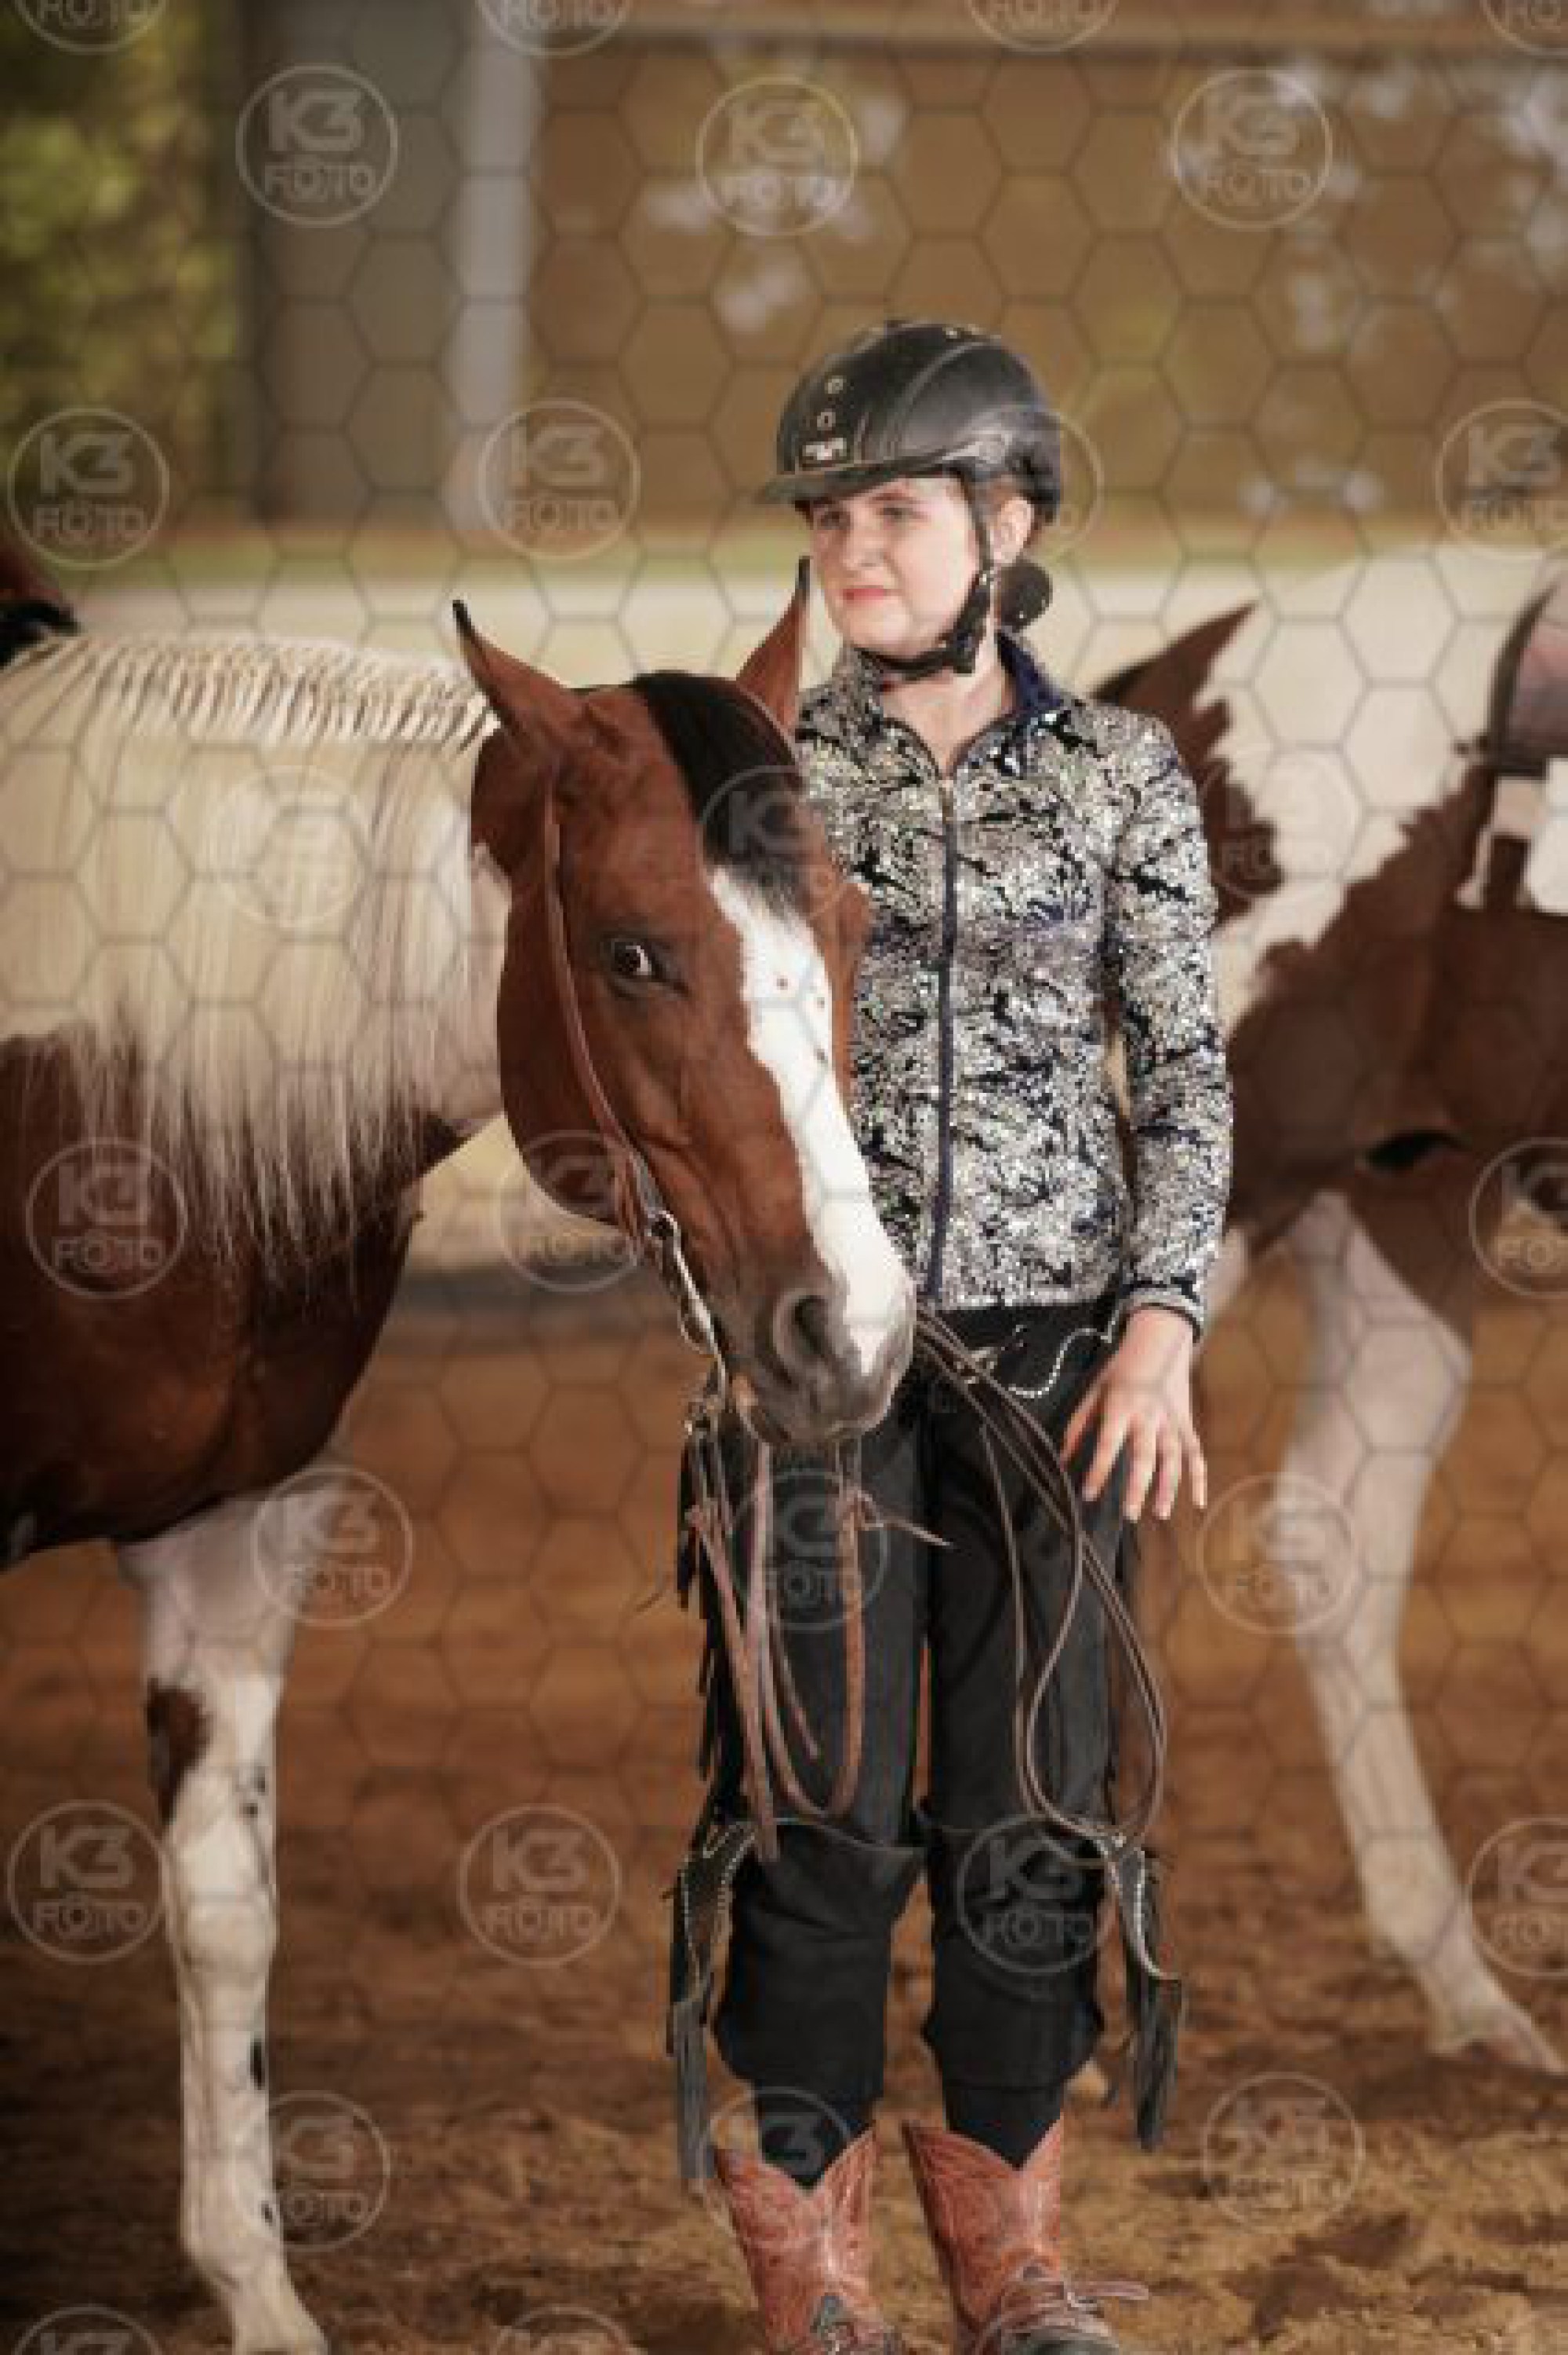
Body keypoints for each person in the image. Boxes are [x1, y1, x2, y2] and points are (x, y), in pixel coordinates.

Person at [666, 318, 1233, 2355]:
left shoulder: (1123, 778)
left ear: (1010, 525)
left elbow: (1185, 1069)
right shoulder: (764, 776)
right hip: (818, 1366)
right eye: (829, 519)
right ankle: (820, 2280)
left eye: (892, 511)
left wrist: (1161, 1324)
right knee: (819, 1814)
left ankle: (1014, 2268)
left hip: (1064, 1370)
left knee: (1030, 1826)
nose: (851, 551)